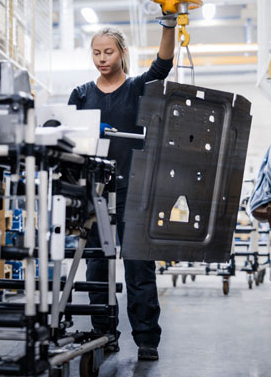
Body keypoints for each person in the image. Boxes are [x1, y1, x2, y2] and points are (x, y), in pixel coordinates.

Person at [67, 21, 176, 361]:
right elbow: (68, 139)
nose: (102, 58)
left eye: (108, 52)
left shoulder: (137, 87)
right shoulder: (81, 94)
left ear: (122, 53)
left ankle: (146, 338)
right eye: (96, 53)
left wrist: (169, 23)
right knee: (97, 265)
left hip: (134, 187)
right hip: (94, 189)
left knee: (139, 266)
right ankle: (103, 334)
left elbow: (163, 65)